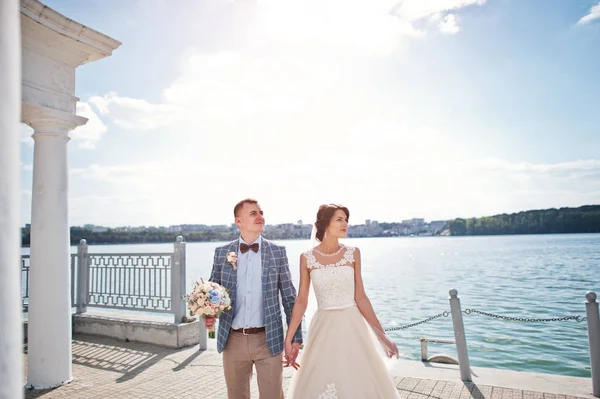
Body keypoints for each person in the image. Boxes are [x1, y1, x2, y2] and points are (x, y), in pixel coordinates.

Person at [284, 203, 400, 398]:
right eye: (339, 219)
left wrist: (382, 336)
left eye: (346, 220)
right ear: (324, 224)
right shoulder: (307, 258)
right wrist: (289, 338)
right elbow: (302, 300)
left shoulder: (353, 253)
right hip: (323, 327)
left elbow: (361, 297)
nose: (345, 224)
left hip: (352, 325)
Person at [207, 198, 302, 399]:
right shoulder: (222, 252)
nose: (260, 217)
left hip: (268, 340)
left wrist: (295, 337)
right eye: (253, 213)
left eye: (261, 212)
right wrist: (209, 313)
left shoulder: (277, 252)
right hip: (232, 341)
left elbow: (289, 298)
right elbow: (212, 291)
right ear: (238, 221)